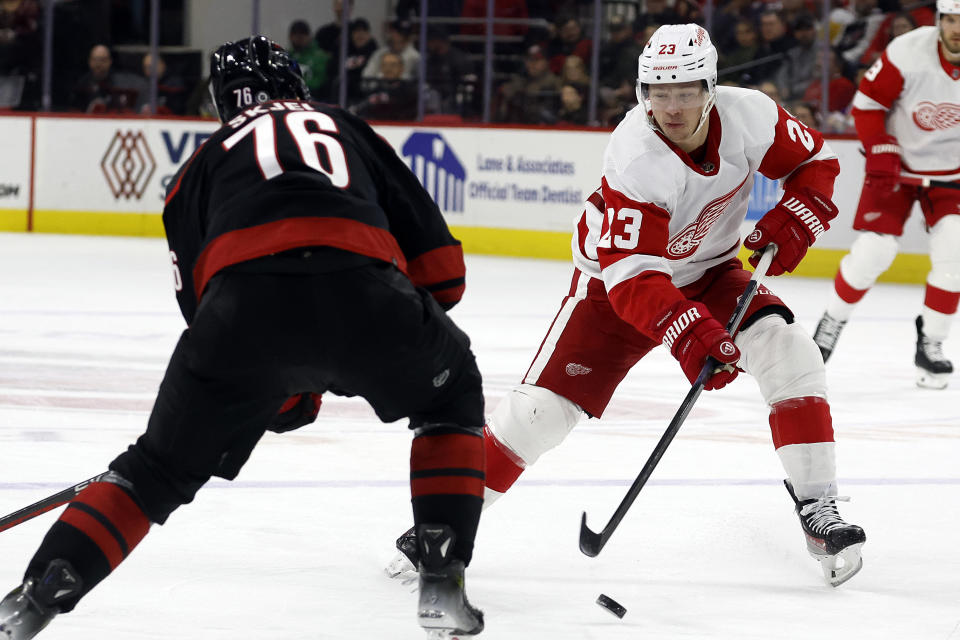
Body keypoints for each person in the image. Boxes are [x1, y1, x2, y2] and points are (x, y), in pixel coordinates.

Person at [0, 36, 485, 640]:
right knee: (451, 397)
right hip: (371, 299)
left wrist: (279, 389)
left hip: (240, 323)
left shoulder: (195, 170)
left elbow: (209, 321)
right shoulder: (345, 127)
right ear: (296, 85)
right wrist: (374, 347)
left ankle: (33, 600)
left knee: (151, 473)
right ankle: (441, 578)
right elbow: (444, 273)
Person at [389, 23, 867, 588]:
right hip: (612, 290)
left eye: (686, 89)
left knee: (792, 354)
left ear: (711, 85)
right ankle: (440, 527)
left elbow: (815, 165)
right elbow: (634, 279)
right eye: (656, 91)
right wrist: (690, 336)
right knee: (537, 417)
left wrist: (799, 214)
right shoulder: (636, 154)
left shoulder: (751, 115)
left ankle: (819, 509)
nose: (671, 105)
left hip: (710, 271)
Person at [813, 0, 960, 389]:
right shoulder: (908, 51)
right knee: (874, 251)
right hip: (897, 166)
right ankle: (832, 320)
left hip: (952, 174)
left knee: (955, 254)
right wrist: (879, 146)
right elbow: (867, 106)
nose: (956, 28)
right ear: (939, 20)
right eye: (950, 19)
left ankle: (932, 342)